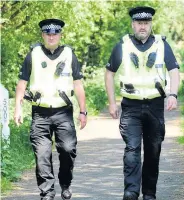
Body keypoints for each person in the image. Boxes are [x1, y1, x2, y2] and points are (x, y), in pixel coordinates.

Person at [105, 6, 180, 200]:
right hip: (131, 105)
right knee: (132, 149)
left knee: (153, 150)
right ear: (133, 24)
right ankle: (130, 191)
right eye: (139, 23)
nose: (143, 27)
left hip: (155, 106)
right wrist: (112, 102)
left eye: (146, 23)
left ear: (151, 24)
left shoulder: (162, 45)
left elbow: (173, 71)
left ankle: (149, 193)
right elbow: (109, 73)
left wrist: (173, 94)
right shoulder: (123, 45)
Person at [14, 18, 87, 200]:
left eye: (55, 33)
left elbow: (78, 84)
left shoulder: (69, 54)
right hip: (40, 113)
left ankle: (65, 183)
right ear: (43, 35)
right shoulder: (33, 54)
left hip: (63, 112)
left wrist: (83, 111)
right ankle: (47, 192)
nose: (52, 36)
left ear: (60, 35)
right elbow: (22, 82)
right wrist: (17, 107)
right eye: (48, 33)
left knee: (68, 150)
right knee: (42, 154)